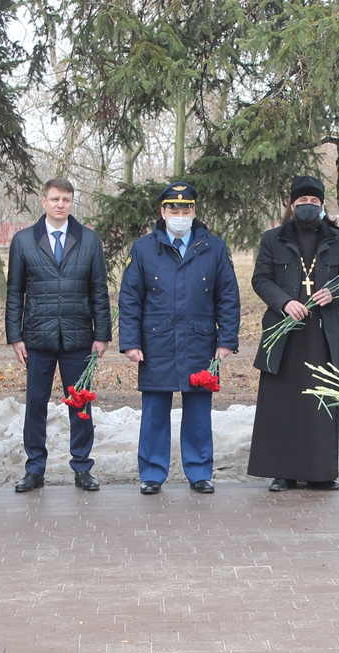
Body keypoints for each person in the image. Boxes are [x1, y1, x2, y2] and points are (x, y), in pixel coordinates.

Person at [119, 182, 240, 495]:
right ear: (163, 211)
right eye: (174, 208)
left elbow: (228, 296)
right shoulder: (143, 248)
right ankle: (152, 473)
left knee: (199, 413)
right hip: (156, 342)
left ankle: (200, 472)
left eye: (186, 209)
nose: (180, 214)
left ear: (194, 211)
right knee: (155, 412)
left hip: (200, 341)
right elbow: (130, 298)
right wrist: (130, 342)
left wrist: (226, 340)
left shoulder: (214, 246)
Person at [247, 176, 339, 492]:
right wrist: (285, 302)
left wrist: (334, 293)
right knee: (284, 405)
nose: (308, 207)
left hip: (323, 335)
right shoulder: (273, 238)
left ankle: (321, 472)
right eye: (302, 203)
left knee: (321, 403)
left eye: (314, 202)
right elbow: (261, 279)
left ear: (322, 206)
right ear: (292, 206)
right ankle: (283, 472)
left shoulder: (338, 239)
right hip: (286, 335)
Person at [6, 177, 112, 493]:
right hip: (37, 337)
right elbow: (15, 292)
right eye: (55, 199)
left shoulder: (89, 240)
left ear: (71, 202)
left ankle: (82, 467)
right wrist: (15, 335)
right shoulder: (24, 241)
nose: (60, 205)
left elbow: (99, 291)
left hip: (78, 337)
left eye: (66, 199)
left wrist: (102, 334)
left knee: (79, 404)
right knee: (35, 404)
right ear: (43, 201)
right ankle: (35, 468)